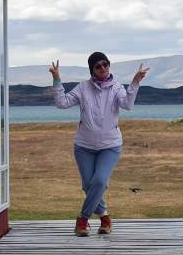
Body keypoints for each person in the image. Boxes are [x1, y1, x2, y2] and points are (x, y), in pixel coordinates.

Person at [50, 52, 149, 236]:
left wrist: (135, 82)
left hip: (110, 146)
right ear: (92, 70)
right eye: (98, 66)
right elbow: (62, 103)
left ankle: (83, 219)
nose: (102, 68)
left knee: (100, 181)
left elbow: (127, 105)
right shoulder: (83, 88)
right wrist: (57, 80)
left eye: (105, 64)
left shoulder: (116, 87)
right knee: (89, 186)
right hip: (84, 147)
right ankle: (105, 218)